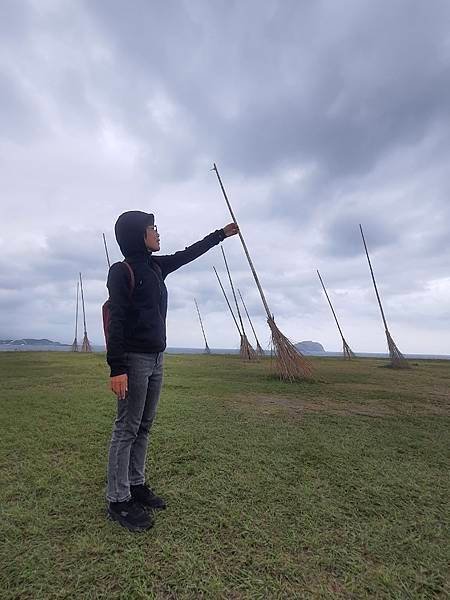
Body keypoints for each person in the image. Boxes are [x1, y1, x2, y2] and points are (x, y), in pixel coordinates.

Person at [106, 210, 239, 532]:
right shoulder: (121, 271)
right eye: (152, 228)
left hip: (156, 359)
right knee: (127, 428)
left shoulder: (156, 266)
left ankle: (136, 485)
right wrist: (117, 368)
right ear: (138, 234)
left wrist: (220, 234)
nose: (157, 233)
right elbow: (117, 320)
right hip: (133, 360)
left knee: (145, 426)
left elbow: (187, 254)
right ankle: (118, 500)